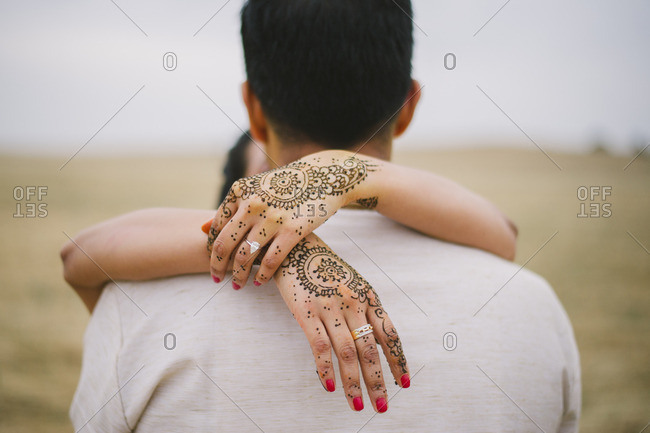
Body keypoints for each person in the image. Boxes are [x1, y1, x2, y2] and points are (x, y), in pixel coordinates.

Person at [61, 1, 580, 432]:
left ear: (253, 107)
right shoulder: (535, 308)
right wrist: (303, 233)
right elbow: (503, 238)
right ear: (409, 104)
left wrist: (331, 177)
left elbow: (77, 256)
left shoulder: (140, 308)